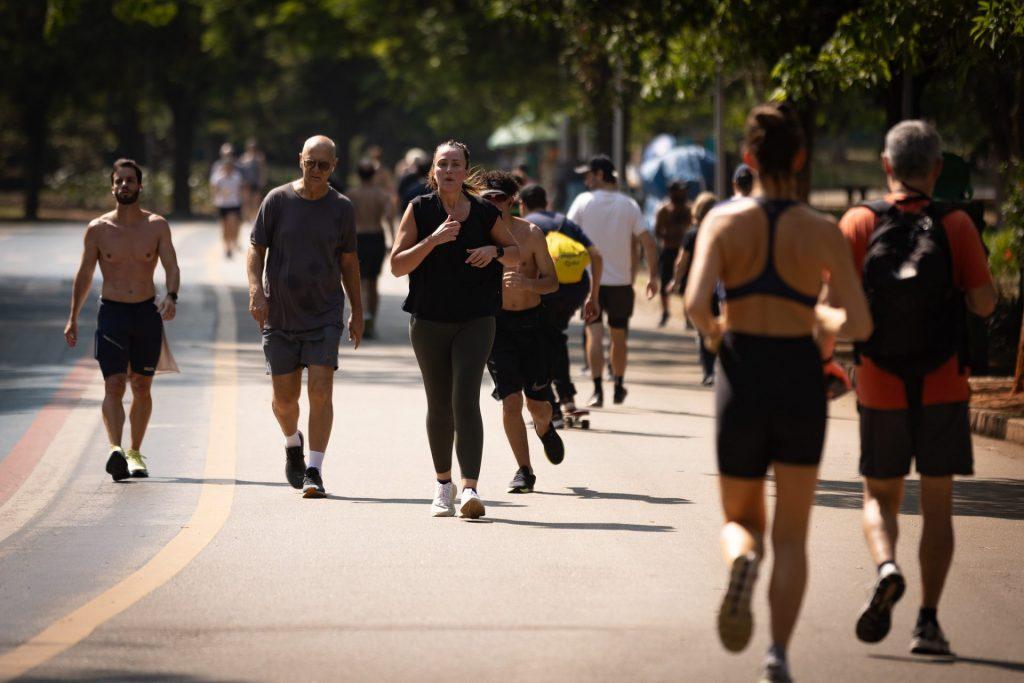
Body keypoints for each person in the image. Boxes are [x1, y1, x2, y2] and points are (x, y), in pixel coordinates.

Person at [685, 103, 872, 683]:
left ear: (747, 158)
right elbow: (861, 323)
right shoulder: (820, 230)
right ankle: (777, 656)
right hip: (798, 378)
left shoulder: (722, 220)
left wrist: (720, 337)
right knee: (792, 533)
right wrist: (822, 319)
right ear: (799, 158)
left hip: (742, 371)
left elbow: (696, 306)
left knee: (742, 521)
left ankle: (741, 558)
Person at [838, 120, 996, 657]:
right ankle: (928, 623)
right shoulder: (955, 225)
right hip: (943, 382)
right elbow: (985, 303)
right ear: (936, 168)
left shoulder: (858, 223)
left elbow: (838, 316)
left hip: (879, 382)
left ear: (886, 166)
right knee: (937, 504)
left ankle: (886, 566)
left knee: (879, 497)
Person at [390, 140, 523, 519]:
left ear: (466, 171)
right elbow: (397, 265)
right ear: (433, 171)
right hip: (429, 320)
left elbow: (515, 253)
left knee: (466, 399)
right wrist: (432, 241)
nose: (448, 171)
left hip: (476, 319)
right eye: (442, 164)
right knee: (439, 403)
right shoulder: (419, 208)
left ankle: (470, 489)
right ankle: (442, 485)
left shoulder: (483, 212)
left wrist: (494, 253)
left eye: (455, 164)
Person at [247, 135, 363, 499]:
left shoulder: (342, 208)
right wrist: (256, 290)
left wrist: (357, 311)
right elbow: (256, 249)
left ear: (334, 166)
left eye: (323, 165)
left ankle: (314, 469)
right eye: (310, 163)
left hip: (325, 313)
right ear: (300, 160)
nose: (316, 171)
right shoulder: (277, 200)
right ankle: (292, 443)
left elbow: (349, 263)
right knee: (284, 400)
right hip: (280, 315)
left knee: (321, 392)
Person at [64, 158, 180, 481]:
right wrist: (72, 317)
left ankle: (134, 451)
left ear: (140, 186)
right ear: (112, 186)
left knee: (142, 385)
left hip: (146, 312)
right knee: (113, 384)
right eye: (119, 181)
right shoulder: (98, 229)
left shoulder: (156, 225)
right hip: (112, 312)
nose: (124, 185)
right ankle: (115, 448)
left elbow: (171, 265)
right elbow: (85, 274)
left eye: (130, 180)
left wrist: (171, 296)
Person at [479, 171, 564, 494]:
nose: (493, 204)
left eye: (499, 198)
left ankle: (544, 430)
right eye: (486, 198)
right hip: (498, 328)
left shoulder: (530, 234)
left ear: (512, 200)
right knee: (510, 401)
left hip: (533, 325)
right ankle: (524, 470)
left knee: (538, 406)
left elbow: (552, 282)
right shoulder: (477, 235)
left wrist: (528, 283)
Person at [567, 154, 658, 407]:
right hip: (621, 282)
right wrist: (652, 276)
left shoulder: (582, 202)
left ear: (599, 175)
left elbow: (565, 234)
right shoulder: (628, 204)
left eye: (588, 175)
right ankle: (618, 385)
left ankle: (597, 390)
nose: (585, 181)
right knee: (619, 337)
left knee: (593, 334)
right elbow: (648, 242)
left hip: (589, 282)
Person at [520, 183, 602, 421]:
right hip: (575, 289)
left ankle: (552, 405)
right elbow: (595, 254)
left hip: (545, 290)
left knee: (541, 344)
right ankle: (566, 399)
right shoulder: (564, 222)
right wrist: (593, 296)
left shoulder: (527, 226)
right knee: (554, 337)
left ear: (522, 206)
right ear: (547, 202)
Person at [668, 191, 718, 384]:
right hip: (718, 284)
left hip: (697, 284)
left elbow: (682, 260)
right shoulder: (719, 230)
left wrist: (676, 280)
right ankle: (719, 368)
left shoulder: (692, 233)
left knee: (703, 330)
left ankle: (708, 371)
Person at [348, 158, 395, 339]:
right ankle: (371, 321)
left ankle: (360, 317)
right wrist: (392, 240)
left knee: (358, 281)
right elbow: (389, 218)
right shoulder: (382, 195)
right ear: (374, 175)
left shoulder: (351, 195)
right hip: (376, 237)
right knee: (373, 282)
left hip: (357, 238)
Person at [654, 180, 692, 327]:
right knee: (664, 283)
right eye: (680, 191)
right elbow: (657, 231)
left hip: (685, 250)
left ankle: (687, 316)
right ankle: (665, 312)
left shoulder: (689, 209)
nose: (683, 193)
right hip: (669, 250)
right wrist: (668, 236)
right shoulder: (664, 210)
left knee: (687, 283)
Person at [210, 144, 245, 258]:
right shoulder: (218, 175)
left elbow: (241, 189)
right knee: (224, 227)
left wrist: (242, 202)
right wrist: (215, 200)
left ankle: (233, 242)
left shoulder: (237, 176)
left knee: (233, 224)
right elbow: (214, 189)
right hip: (222, 204)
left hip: (234, 204)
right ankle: (227, 247)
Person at [238, 138, 267, 225]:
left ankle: (254, 218)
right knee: (246, 201)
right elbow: (241, 171)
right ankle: (247, 218)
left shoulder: (259, 157)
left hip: (256, 182)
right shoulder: (244, 157)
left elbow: (262, 170)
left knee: (256, 201)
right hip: (246, 183)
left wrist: (262, 180)